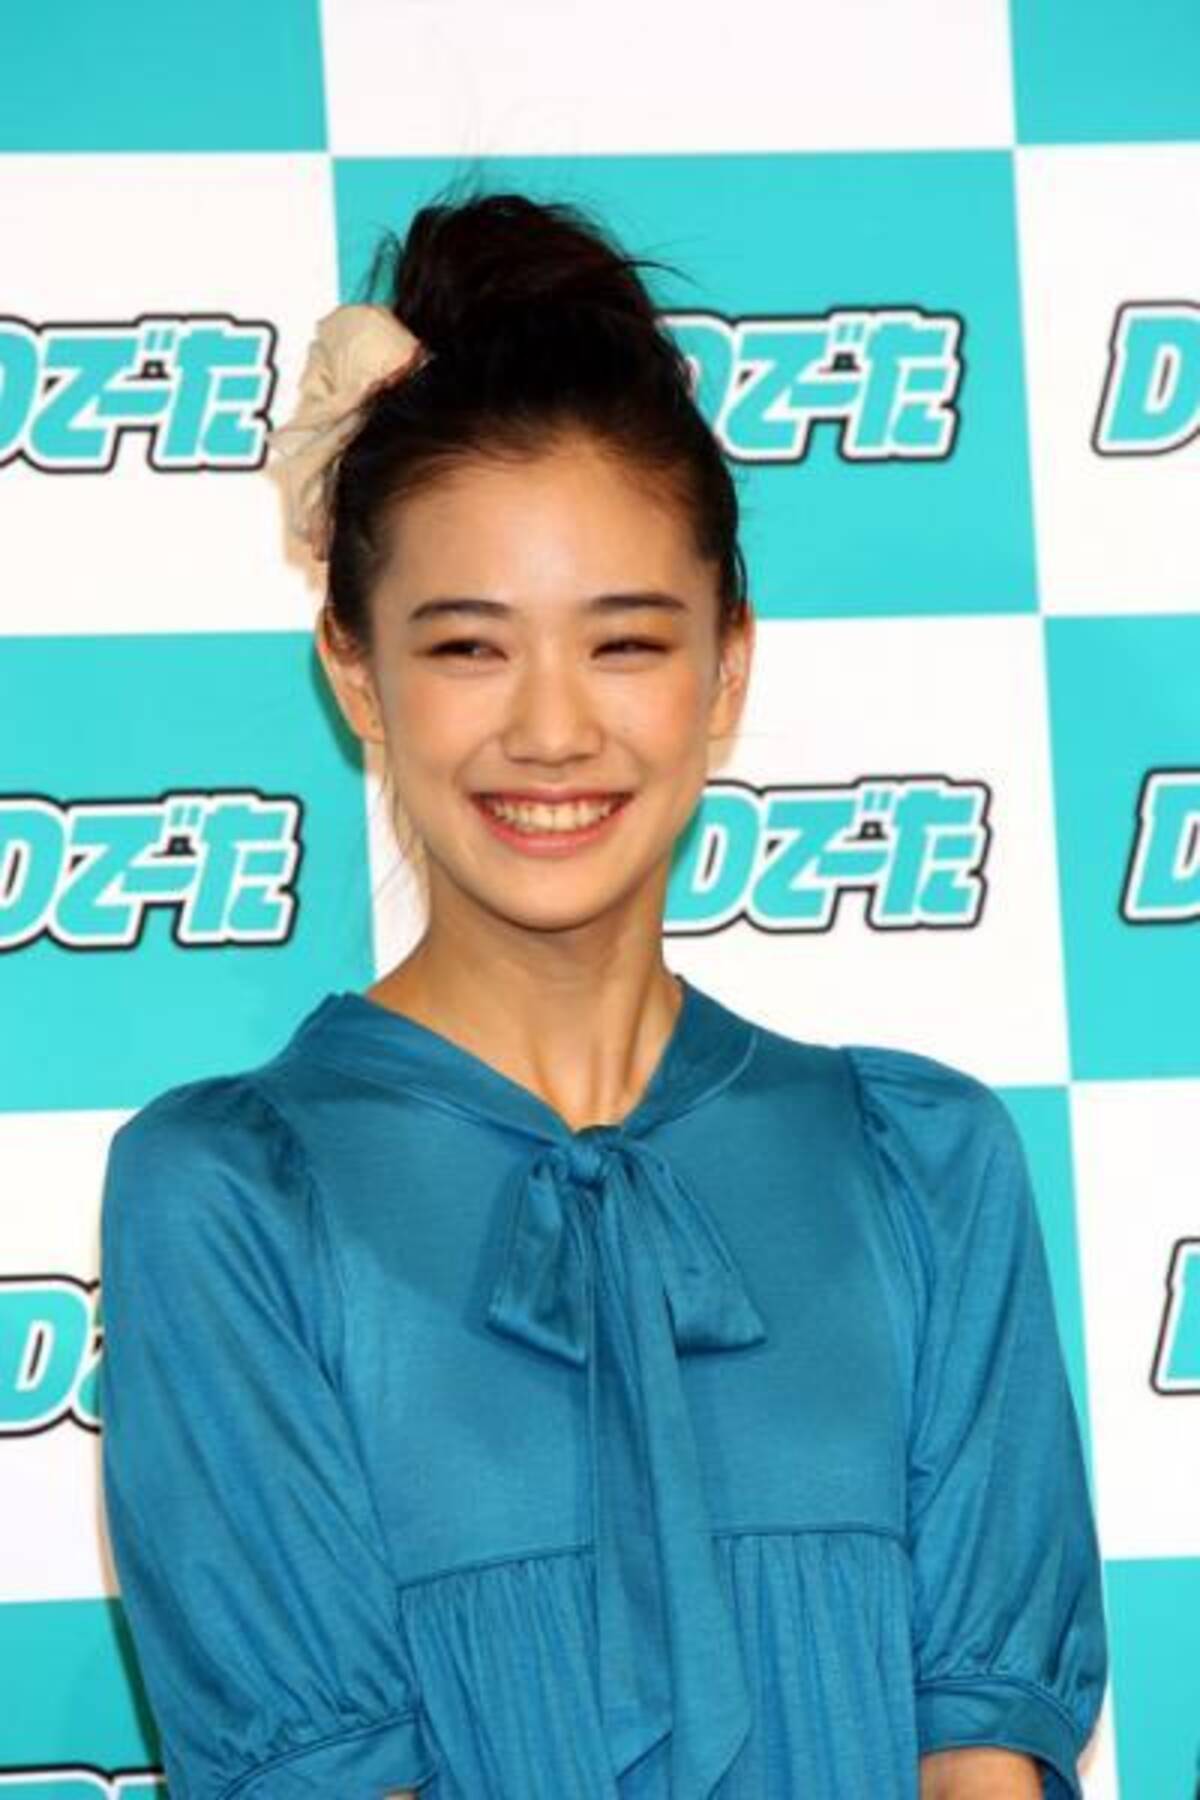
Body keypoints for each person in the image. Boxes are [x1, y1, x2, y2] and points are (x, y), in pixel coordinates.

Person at [98, 184, 1109, 1800]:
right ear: (356, 671)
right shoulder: (232, 1197)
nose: (552, 730)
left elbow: (983, 1760)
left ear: (728, 667)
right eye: (469, 648)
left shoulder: (923, 1166)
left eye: (625, 644)